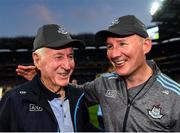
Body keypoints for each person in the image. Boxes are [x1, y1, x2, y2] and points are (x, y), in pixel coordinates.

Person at [15, 15, 180, 132]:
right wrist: (44, 76)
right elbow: (73, 93)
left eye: (122, 43)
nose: (114, 54)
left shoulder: (175, 97)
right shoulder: (104, 83)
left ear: (146, 45)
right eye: (109, 46)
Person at [0, 24, 98, 132]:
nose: (68, 66)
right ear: (37, 60)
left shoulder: (77, 96)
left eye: (70, 56)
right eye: (58, 57)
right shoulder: (14, 100)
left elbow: (84, 128)